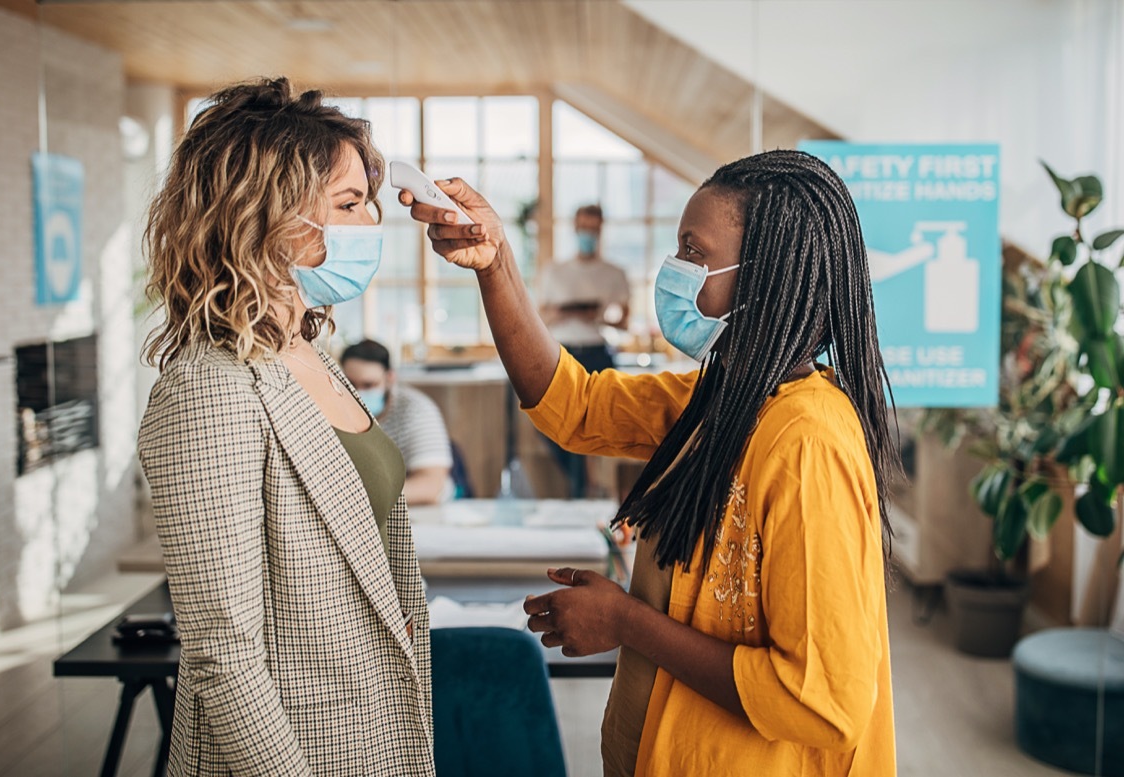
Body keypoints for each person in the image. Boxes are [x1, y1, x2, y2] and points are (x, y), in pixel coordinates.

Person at [400, 150, 898, 776]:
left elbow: (821, 701)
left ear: (766, 274)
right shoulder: (722, 400)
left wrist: (627, 622)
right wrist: (496, 264)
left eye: (694, 252)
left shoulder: (808, 442)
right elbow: (573, 405)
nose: (676, 270)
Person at [137, 77, 433, 777]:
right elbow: (223, 654)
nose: (371, 225)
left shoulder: (307, 349)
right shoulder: (207, 387)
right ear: (264, 212)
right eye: (349, 204)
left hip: (370, 735)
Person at [534, 204, 631, 497]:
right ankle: (582, 485)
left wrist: (597, 315)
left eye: (593, 228)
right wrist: (565, 312)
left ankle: (589, 489)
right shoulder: (554, 272)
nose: (587, 233)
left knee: (598, 424)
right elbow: (538, 318)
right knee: (550, 421)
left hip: (597, 353)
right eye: (583, 227)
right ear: (575, 228)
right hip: (561, 353)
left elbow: (624, 322)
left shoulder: (614, 274)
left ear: (600, 230)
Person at [340, 339, 455, 505]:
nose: (358, 393)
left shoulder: (417, 410)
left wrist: (358, 499)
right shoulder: (336, 411)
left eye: (369, 385)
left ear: (390, 378)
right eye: (350, 385)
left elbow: (431, 485)